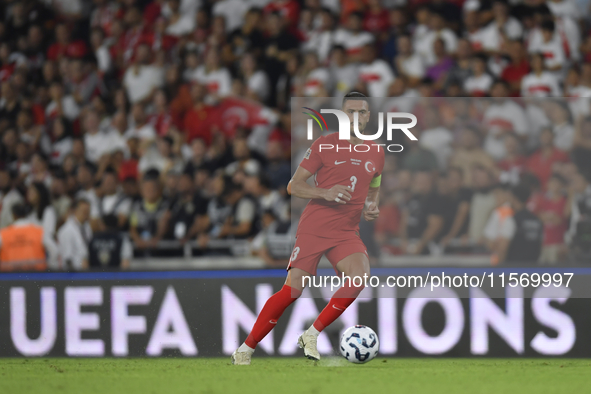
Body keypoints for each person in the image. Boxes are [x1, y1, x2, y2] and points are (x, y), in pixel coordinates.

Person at [232, 92, 384, 365]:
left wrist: (371, 206)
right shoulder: (324, 145)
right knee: (293, 290)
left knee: (359, 277)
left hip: (347, 231)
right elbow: (294, 186)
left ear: (368, 116)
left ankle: (311, 334)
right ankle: (246, 348)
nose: (356, 117)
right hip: (315, 226)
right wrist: (326, 193)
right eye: (350, 111)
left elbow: (375, 184)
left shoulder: (376, 150)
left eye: (361, 112)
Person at [0, 203, 59, 271]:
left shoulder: (3, 234)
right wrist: (49, 268)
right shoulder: (39, 232)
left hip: (8, 277)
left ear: (13, 215)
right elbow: (54, 251)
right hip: (36, 276)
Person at [57, 198, 93, 270]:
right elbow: (67, 259)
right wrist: (80, 265)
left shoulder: (87, 228)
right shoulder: (66, 230)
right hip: (72, 274)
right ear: (75, 210)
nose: (87, 214)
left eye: (88, 211)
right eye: (84, 211)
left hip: (86, 271)